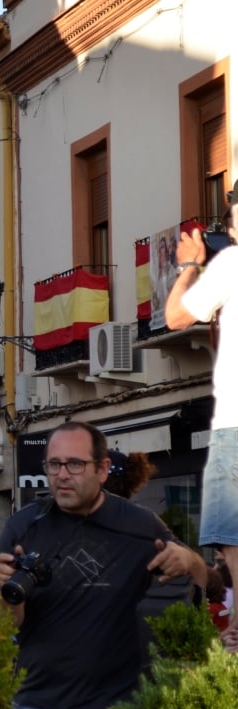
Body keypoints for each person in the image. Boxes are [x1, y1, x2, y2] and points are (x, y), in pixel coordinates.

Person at [0, 421, 207, 709]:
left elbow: (204, 577)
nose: (62, 475)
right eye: (54, 464)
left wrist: (188, 559)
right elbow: (3, 624)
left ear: (103, 469)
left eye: (75, 464)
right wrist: (8, 594)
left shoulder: (140, 525)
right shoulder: (23, 527)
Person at [166, 186, 238, 634]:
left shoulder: (231, 264)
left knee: (232, 538)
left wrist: (191, 266)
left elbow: (175, 316)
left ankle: (237, 630)